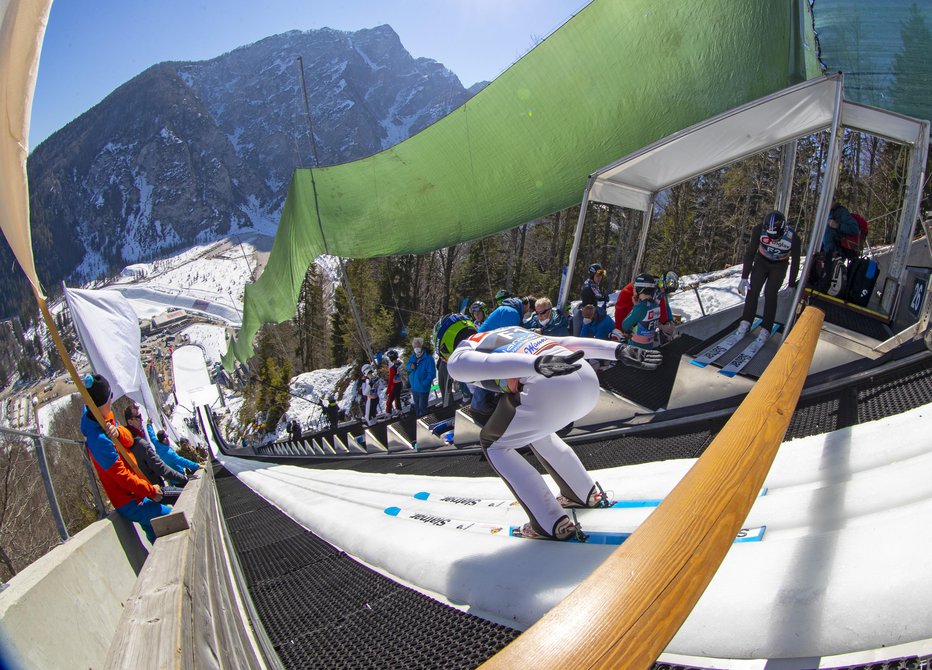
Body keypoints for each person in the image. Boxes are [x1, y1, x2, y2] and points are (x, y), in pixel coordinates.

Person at [433, 314, 661, 541]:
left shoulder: (460, 353)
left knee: (493, 444)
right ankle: (583, 492)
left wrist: (535, 366)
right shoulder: (509, 331)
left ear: (444, 348)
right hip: (587, 382)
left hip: (549, 386)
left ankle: (549, 522)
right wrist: (617, 350)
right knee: (536, 431)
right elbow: (567, 343)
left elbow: (470, 366)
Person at [80, 374, 168, 543]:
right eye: (109, 398)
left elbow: (129, 440)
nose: (111, 401)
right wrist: (150, 490)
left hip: (138, 492)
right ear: (100, 404)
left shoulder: (106, 419)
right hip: (130, 501)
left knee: (152, 532)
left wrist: (118, 432)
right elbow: (121, 476)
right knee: (170, 515)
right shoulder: (98, 440)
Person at [737, 210, 801, 343]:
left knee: (771, 293)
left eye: (776, 237)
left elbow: (795, 261)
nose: (773, 239)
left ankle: (766, 329)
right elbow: (750, 253)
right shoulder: (759, 230)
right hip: (762, 261)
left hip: (779, 265)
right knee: (753, 289)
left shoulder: (793, 238)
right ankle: (746, 322)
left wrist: (791, 283)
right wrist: (744, 277)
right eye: (770, 236)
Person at [124, 405, 188, 500]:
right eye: (138, 417)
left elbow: (152, 437)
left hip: (143, 492)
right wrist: (183, 478)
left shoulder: (128, 442)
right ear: (130, 422)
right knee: (186, 495)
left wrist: (149, 425)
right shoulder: (140, 444)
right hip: (155, 491)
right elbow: (160, 468)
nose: (141, 420)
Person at [614, 271, 678, 342]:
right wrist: (662, 326)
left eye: (667, 291)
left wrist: (668, 321)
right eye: (664, 289)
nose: (664, 291)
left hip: (636, 305)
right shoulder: (647, 289)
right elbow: (644, 313)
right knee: (627, 328)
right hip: (626, 305)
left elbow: (664, 306)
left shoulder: (659, 290)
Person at [622, 274, 666, 355]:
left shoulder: (641, 308)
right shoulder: (656, 305)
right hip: (649, 345)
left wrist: (636, 306)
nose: (633, 289)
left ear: (640, 289)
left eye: (635, 287)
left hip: (635, 348)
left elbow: (625, 325)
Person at [406, 337, 436, 417]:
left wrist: (424, 383)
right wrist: (410, 366)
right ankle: (418, 422)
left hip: (423, 388)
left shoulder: (428, 358)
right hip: (414, 387)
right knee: (417, 407)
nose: (416, 348)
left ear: (421, 345)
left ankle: (424, 421)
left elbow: (432, 373)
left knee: (422, 408)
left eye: (418, 346)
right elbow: (407, 366)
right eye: (414, 346)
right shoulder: (413, 357)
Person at [384, 350, 404, 415]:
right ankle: (399, 410)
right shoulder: (401, 364)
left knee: (390, 400)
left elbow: (390, 381)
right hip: (401, 383)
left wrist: (387, 391)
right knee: (397, 398)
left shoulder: (392, 368)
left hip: (395, 385)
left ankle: (388, 413)